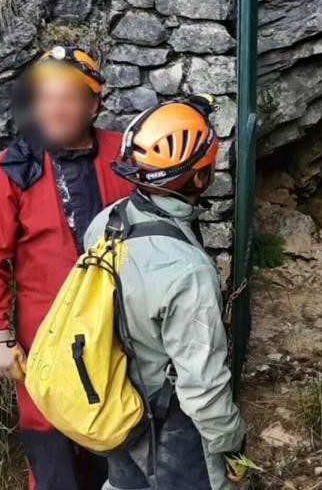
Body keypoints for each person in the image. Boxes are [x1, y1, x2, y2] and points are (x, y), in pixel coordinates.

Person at [0, 46, 133, 489]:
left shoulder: (125, 156)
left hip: (120, 332)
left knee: (117, 446)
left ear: (94, 104)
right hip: (45, 341)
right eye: (45, 97)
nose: (55, 109)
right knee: (53, 457)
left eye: (70, 97)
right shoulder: (13, 169)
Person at [82, 96, 247, 490]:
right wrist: (232, 442)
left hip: (117, 402)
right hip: (171, 424)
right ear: (201, 178)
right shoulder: (187, 271)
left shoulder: (107, 221)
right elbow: (202, 387)